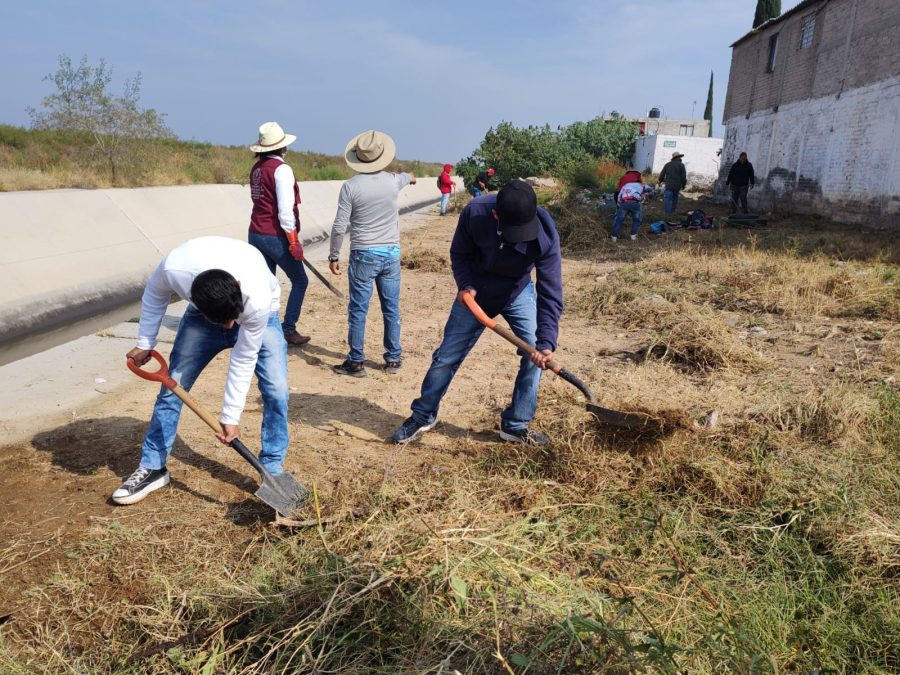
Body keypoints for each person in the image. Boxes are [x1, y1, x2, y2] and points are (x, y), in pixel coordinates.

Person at [113, 236, 290, 505]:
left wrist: (230, 416)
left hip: (257, 314)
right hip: (204, 314)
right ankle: (153, 467)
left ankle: (272, 467)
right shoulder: (175, 270)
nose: (230, 327)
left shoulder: (256, 298)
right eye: (224, 323)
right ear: (191, 299)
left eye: (233, 320)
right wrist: (145, 342)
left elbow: (243, 358)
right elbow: (154, 293)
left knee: (276, 389)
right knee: (172, 390)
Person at [392, 179, 563, 446]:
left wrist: (546, 341)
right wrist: (466, 285)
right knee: (446, 357)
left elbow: (551, 292)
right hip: (476, 295)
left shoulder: (546, 234)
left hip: (516, 292)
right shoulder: (476, 212)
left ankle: (516, 425)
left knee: (534, 354)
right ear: (496, 215)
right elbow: (459, 253)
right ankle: (423, 415)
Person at [328, 129, 416, 378]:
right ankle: (393, 358)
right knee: (391, 307)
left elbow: (339, 225)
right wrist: (410, 177)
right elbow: (408, 176)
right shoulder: (392, 180)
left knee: (358, 309)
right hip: (390, 254)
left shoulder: (350, 187)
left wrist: (334, 255)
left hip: (363, 253)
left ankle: (356, 361)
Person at [247, 121, 310, 346]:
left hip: (255, 232)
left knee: (266, 284)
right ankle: (288, 328)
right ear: (282, 147)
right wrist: (293, 241)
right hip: (274, 234)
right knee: (300, 280)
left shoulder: (257, 169)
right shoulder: (282, 170)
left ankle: (260, 327)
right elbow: (285, 211)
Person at [610, 168, 645, 242]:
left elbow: (619, 188)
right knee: (636, 219)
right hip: (634, 201)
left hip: (622, 197)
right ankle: (633, 235)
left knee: (619, 218)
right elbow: (643, 188)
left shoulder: (624, 177)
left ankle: (614, 236)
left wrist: (619, 205)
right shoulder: (638, 178)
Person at [658, 151, 687, 216]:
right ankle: (672, 212)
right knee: (675, 199)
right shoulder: (681, 165)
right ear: (678, 158)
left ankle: (667, 213)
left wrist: (660, 181)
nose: (681, 158)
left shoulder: (667, 164)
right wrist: (683, 185)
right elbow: (683, 177)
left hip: (669, 185)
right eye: (680, 157)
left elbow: (662, 175)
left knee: (667, 199)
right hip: (677, 186)